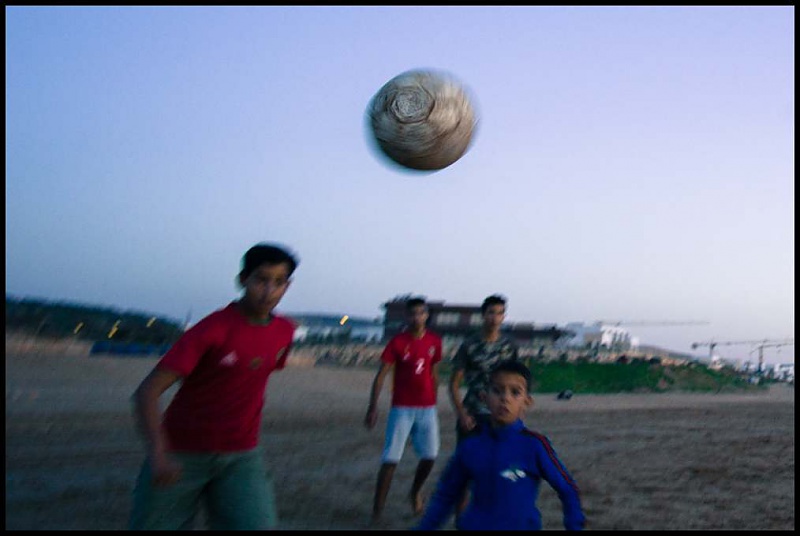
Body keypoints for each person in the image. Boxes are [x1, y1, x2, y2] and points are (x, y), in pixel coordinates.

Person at [129, 243, 299, 530]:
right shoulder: (213, 329)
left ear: (287, 285)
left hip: (242, 456)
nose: (269, 291)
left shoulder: (285, 331)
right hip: (181, 453)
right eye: (261, 280)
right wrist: (158, 453)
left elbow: (253, 374)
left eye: (279, 282)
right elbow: (147, 393)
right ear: (243, 280)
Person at [414, 360, 586, 530]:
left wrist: (574, 525)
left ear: (527, 402)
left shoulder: (535, 446)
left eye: (515, 392)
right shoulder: (470, 447)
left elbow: (568, 489)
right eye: (497, 391)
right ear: (484, 398)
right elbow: (445, 496)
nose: (505, 398)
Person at [364, 296, 443, 522]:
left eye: (421, 313)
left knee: (430, 456)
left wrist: (434, 399)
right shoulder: (398, 342)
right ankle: (377, 511)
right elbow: (382, 375)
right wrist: (373, 406)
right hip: (402, 408)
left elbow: (434, 373)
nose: (417, 317)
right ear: (407, 316)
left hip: (427, 408)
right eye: (413, 313)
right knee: (390, 459)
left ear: (427, 315)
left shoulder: (434, 341)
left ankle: (415, 492)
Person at [448, 294, 520, 514]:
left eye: (499, 313)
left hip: (500, 417)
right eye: (491, 313)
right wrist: (462, 414)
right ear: (483, 315)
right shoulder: (470, 345)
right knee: (464, 473)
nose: (495, 318)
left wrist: (516, 412)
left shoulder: (509, 346)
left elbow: (516, 382)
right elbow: (454, 384)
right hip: (473, 416)